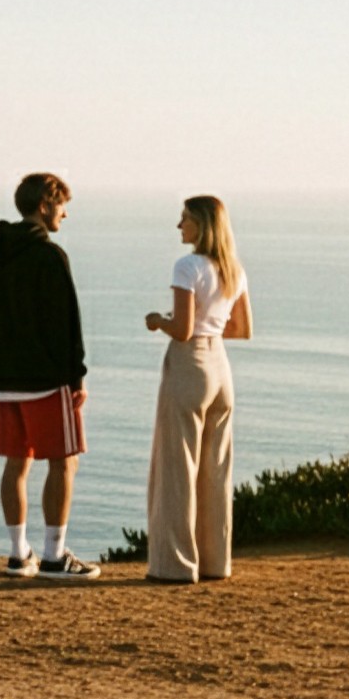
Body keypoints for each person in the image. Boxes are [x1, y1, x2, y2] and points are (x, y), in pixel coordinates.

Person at [0, 171, 96, 578]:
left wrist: (1, 360)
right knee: (64, 462)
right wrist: (76, 377)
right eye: (62, 205)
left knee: (16, 463)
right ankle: (53, 555)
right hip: (45, 379)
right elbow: (68, 325)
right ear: (45, 204)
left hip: (4, 380)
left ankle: (17, 553)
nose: (64, 214)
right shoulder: (50, 256)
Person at [142, 193, 252, 584]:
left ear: (201, 225)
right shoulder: (233, 269)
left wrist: (159, 320)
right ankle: (214, 563)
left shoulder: (187, 267)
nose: (179, 226)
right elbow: (241, 329)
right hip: (221, 368)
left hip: (190, 366)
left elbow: (184, 330)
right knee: (216, 471)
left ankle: (174, 566)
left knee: (176, 468)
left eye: (184, 218)